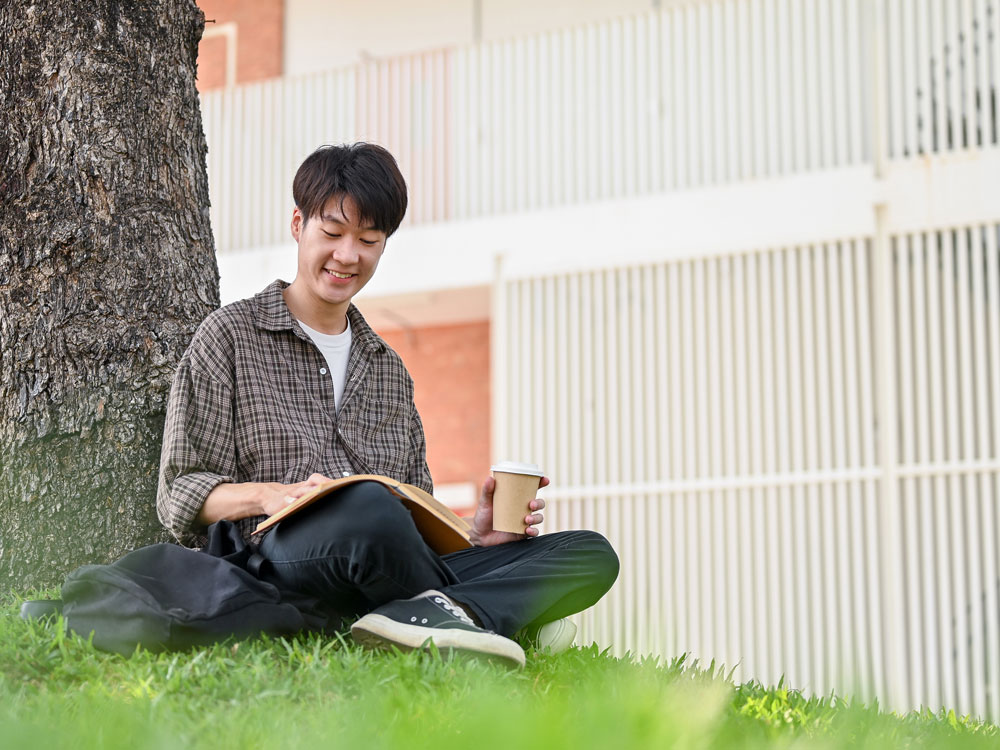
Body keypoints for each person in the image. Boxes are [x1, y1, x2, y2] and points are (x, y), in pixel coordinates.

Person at [156, 143, 619, 667]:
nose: (347, 255)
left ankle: (433, 614)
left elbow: (413, 516)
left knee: (590, 553)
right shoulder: (230, 336)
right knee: (367, 506)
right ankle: (491, 616)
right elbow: (180, 495)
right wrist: (272, 498)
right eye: (331, 233)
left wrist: (475, 536)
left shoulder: (388, 369)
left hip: (381, 558)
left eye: (369, 240)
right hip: (278, 557)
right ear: (297, 225)